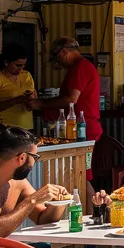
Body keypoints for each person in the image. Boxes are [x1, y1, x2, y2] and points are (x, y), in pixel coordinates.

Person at [31, 37, 102, 181]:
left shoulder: (81, 67)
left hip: (83, 129)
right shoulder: (81, 67)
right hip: (81, 128)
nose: (58, 62)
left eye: (57, 57)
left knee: (81, 175)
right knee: (78, 174)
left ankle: (90, 203)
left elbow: (71, 99)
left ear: (64, 52)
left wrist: (42, 103)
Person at [0, 43, 36, 130]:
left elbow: (35, 98)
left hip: (26, 127)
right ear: (6, 62)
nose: (21, 69)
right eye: (18, 65)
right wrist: (15, 101)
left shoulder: (27, 75)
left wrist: (31, 102)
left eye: (23, 65)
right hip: (3, 126)